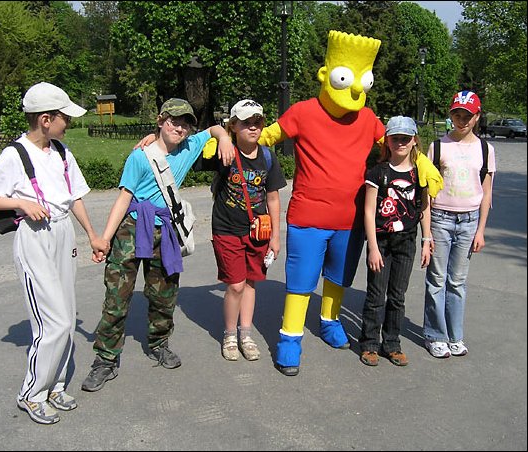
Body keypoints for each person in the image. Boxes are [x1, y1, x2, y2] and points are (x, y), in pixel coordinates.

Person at [255, 30, 443, 376]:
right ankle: (290, 338)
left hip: (351, 219)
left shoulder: (367, 118)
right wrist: (222, 136)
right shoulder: (302, 112)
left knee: (338, 277)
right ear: (326, 75)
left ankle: (329, 320)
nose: (355, 89)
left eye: (362, 81)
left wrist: (424, 165)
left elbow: (397, 145)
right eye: (346, 78)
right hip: (308, 217)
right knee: (300, 281)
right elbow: (263, 136)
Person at [0, 82, 108, 425]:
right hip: (35, 238)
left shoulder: (61, 151)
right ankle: (32, 394)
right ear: (46, 119)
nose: (69, 123)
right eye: (65, 118)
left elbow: (74, 197)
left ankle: (55, 385)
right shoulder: (15, 154)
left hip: (62, 233)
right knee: (54, 322)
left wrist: (92, 235)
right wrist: (21, 202)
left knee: (67, 315)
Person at [81, 98, 235, 392]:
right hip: (131, 228)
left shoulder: (189, 146)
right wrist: (104, 239)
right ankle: (105, 359)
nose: (180, 128)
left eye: (185, 123)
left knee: (164, 293)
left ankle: (159, 343)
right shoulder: (140, 157)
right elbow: (124, 198)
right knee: (116, 297)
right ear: (161, 121)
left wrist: (224, 137)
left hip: (166, 229)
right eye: (174, 121)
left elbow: (214, 129)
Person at [198, 99, 287, 361]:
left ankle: (245, 334)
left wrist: (276, 237)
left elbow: (273, 198)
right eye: (246, 122)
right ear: (234, 126)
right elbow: (188, 147)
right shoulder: (224, 152)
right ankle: (229, 335)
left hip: (258, 231)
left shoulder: (268, 157)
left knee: (250, 283)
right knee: (235, 285)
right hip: (226, 229)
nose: (253, 127)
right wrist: (221, 136)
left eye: (258, 121)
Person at [423, 91, 496, 359]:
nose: (462, 121)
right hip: (441, 218)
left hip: (469, 221)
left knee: (457, 281)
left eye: (468, 116)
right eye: (457, 115)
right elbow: (427, 193)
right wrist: (427, 234)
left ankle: (455, 335)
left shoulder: (486, 150)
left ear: (477, 117)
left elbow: (486, 193)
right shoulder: (438, 147)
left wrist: (481, 231)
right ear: (451, 115)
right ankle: (436, 335)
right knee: (437, 279)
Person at [358, 116, 432, 367]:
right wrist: (373, 248)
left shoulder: (419, 173)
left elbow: (424, 208)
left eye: (405, 138)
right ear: (387, 142)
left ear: (414, 141)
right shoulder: (378, 173)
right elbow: (369, 211)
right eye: (395, 138)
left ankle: (391, 343)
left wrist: (426, 239)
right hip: (381, 241)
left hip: (406, 241)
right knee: (376, 295)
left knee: (397, 296)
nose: (400, 143)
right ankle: (369, 343)